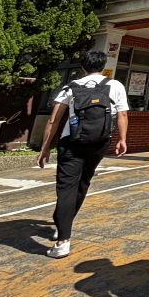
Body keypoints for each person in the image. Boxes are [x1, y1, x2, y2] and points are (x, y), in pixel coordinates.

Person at [37, 49, 129, 259]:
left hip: (71, 143)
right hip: (99, 142)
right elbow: (122, 114)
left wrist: (45, 147)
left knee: (66, 188)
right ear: (103, 66)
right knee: (83, 183)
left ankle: (63, 239)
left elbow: (53, 120)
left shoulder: (71, 87)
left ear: (82, 67)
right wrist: (122, 139)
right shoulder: (115, 85)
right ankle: (63, 224)